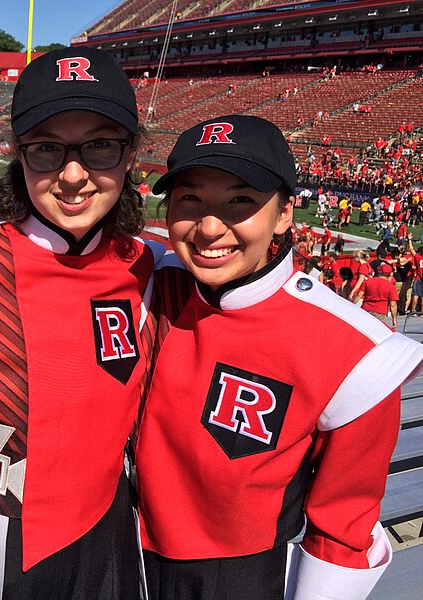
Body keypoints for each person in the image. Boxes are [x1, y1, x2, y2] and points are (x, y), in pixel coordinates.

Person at [0, 46, 180, 599]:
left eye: (99, 146)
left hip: (108, 528)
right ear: (18, 154)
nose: (73, 175)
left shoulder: (149, 264)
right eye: (46, 149)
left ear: (130, 153)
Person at [135, 115, 423, 599]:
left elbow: (343, 530)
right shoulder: (156, 283)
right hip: (119, 552)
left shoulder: (358, 353)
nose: (208, 228)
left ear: (286, 213)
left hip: (241, 578)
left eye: (240, 201)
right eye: (190, 200)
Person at [356, 263, 399, 329]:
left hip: (366, 310)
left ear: (379, 272)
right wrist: (394, 319)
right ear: (390, 274)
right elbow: (393, 304)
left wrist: (351, 304)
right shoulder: (391, 286)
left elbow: (359, 294)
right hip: (380, 312)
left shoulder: (368, 281)